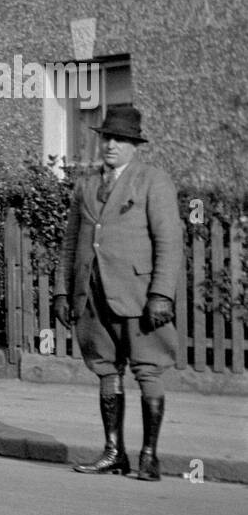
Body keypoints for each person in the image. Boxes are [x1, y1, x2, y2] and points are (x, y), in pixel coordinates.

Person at [53, 104, 181, 481]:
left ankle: (149, 456)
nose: (111, 145)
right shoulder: (87, 185)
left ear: (135, 145)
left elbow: (169, 242)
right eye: (107, 138)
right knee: (106, 369)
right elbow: (70, 243)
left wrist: (162, 294)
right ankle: (113, 452)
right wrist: (63, 292)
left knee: (147, 368)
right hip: (92, 294)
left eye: (120, 139)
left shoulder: (153, 181)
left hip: (139, 295)